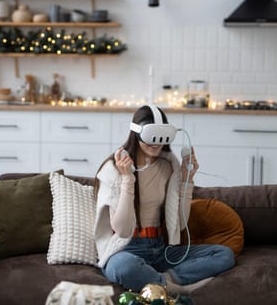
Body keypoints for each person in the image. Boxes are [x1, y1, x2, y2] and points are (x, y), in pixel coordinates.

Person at [93, 105, 235, 294]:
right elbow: (123, 230)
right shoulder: (113, 170)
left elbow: (180, 223)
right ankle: (177, 289)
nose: (156, 143)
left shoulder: (169, 167)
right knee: (122, 267)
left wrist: (187, 180)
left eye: (162, 136)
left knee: (224, 255)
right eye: (151, 135)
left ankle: (164, 281)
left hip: (160, 248)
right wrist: (127, 179)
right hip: (128, 248)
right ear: (136, 133)